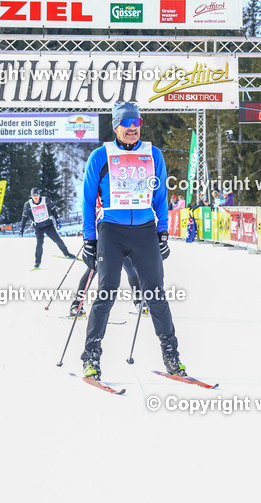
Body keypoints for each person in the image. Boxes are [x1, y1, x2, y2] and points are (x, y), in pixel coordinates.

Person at [79, 102, 184, 380]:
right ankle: (91, 355)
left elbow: (161, 195)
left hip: (144, 231)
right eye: (126, 123)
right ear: (116, 126)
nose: (132, 128)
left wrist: (163, 231)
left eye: (136, 123)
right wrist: (89, 238)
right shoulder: (100, 156)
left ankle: (171, 354)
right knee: (106, 293)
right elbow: (88, 200)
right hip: (111, 231)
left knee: (156, 295)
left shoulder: (154, 154)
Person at [20, 188, 75, 269]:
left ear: (39, 195)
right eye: (33, 195)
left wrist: (57, 220)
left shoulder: (45, 200)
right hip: (38, 227)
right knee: (39, 243)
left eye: (37, 195)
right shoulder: (28, 204)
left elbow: (53, 210)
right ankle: (37, 262)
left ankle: (67, 253)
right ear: (31, 196)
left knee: (58, 240)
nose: (35, 197)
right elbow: (24, 217)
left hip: (48, 225)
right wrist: (22, 228)